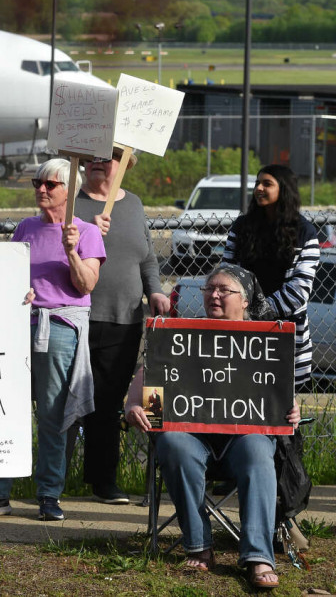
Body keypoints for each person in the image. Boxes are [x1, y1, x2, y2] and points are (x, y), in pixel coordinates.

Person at [126, 264, 300, 591]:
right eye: (209, 289)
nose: (214, 295)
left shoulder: (266, 341)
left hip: (243, 439)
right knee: (173, 442)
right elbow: (149, 383)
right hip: (192, 437)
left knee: (257, 447)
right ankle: (199, 545)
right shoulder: (180, 334)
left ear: (246, 301)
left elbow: (279, 397)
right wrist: (135, 406)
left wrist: (290, 410)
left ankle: (257, 556)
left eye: (224, 290)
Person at [0, 159, 105, 522]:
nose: (41, 189)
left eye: (50, 184)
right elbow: (10, 277)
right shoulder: (26, 228)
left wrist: (71, 250)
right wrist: (19, 292)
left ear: (70, 190)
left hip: (60, 327)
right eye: (38, 182)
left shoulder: (86, 232)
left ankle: (49, 494)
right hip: (20, 325)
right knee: (7, 410)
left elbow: (86, 284)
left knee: (52, 416)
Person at [48, 149, 168, 509]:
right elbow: (53, 249)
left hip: (124, 319)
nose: (99, 162)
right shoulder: (72, 203)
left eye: (109, 157)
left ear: (124, 165)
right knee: (62, 404)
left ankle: (103, 481)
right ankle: (51, 486)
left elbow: (145, 257)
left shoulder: (133, 204)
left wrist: (156, 291)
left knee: (108, 405)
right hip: (75, 317)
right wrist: (86, 232)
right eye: (93, 157)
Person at [223, 164, 319, 390]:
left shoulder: (305, 232)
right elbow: (227, 274)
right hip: (243, 333)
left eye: (267, 183)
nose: (259, 188)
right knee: (240, 396)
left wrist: (257, 313)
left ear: (284, 189)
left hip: (285, 334)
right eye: (257, 183)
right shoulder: (242, 227)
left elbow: (300, 288)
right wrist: (242, 315)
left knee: (281, 409)